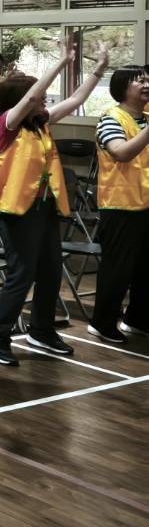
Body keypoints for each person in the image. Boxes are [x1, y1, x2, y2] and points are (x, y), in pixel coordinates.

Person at [0, 34, 109, 366]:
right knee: (21, 275)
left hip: (45, 207)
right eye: (38, 100)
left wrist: (99, 69)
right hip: (18, 211)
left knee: (51, 270)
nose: (44, 103)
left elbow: (77, 97)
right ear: (23, 101)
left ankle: (41, 330)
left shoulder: (40, 125)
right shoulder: (4, 126)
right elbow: (33, 95)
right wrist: (62, 62)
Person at [91, 66, 149, 344]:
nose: (147, 84)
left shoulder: (146, 118)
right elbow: (121, 153)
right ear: (122, 88)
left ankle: (137, 319)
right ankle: (102, 323)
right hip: (120, 205)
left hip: (145, 203)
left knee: (145, 268)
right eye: (140, 81)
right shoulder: (110, 118)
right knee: (119, 269)